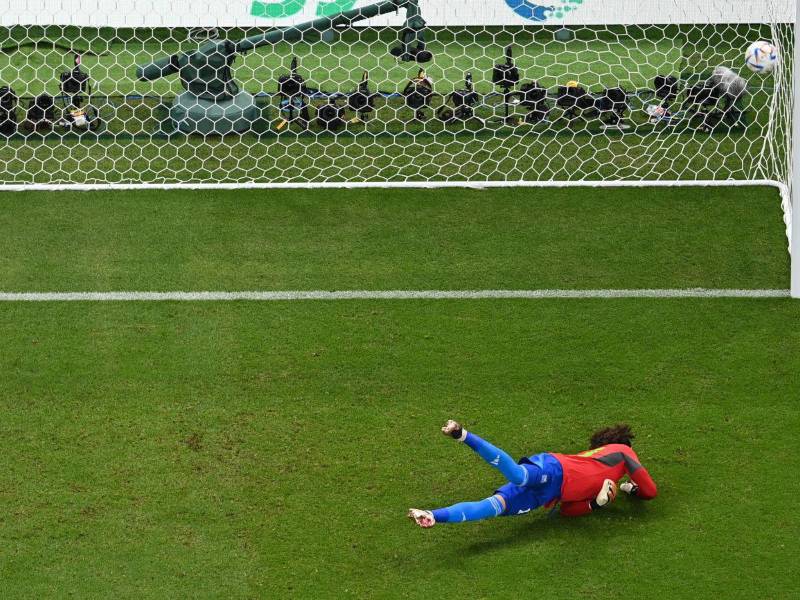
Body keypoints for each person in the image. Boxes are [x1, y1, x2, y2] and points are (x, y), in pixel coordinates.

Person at [408, 420, 657, 527]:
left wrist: (597, 504)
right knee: (519, 476)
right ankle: (462, 434)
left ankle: (432, 515)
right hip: (555, 468)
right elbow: (651, 491)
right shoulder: (623, 451)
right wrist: (634, 489)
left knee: (492, 507)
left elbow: (567, 510)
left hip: (548, 495)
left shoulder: (603, 483)